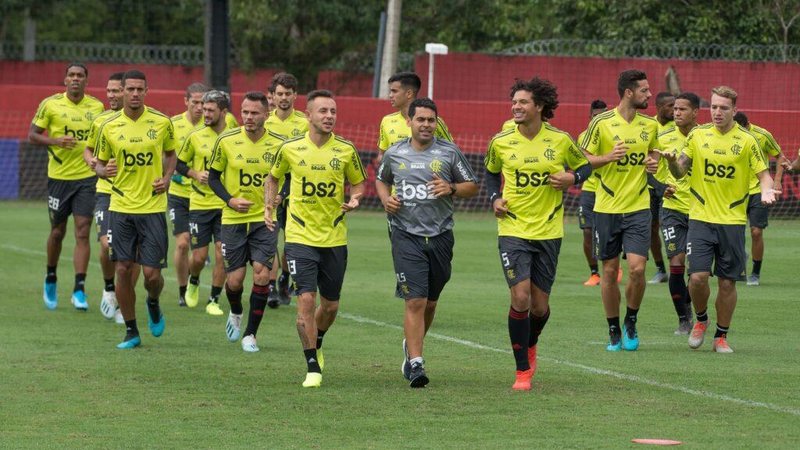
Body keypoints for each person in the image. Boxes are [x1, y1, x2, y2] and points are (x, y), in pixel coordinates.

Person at [485, 78, 591, 391]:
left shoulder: (559, 140)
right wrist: (495, 198)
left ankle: (530, 345)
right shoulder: (501, 141)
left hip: (548, 230)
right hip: (513, 228)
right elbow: (491, 173)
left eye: (523, 102)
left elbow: (585, 166)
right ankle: (521, 371)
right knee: (520, 296)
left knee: (540, 307)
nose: (516, 107)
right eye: (514, 102)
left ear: (539, 107)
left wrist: (571, 177)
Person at [662, 86, 777, 353]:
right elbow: (680, 172)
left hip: (733, 221)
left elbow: (763, 174)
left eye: (723, 108)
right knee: (698, 277)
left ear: (734, 111)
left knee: (727, 282)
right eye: (713, 107)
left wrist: (767, 189)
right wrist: (670, 163)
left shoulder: (747, 141)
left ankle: (721, 337)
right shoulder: (697, 136)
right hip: (700, 218)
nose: (717, 112)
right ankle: (701, 320)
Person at [265, 90, 366, 388]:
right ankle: (312, 365)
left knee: (330, 306)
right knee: (306, 300)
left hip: (334, 237)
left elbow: (359, 184)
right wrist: (268, 206)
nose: (329, 116)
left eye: (333, 111)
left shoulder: (346, 150)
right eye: (323, 111)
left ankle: (317, 339)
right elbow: (272, 178)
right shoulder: (290, 149)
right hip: (299, 236)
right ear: (308, 115)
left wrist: (357, 199)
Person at [376, 98, 478, 388]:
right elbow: (382, 180)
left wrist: (452, 187)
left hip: (441, 235)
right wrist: (386, 199)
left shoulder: (449, 152)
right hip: (405, 234)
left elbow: (472, 186)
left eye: (431, 120)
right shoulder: (395, 153)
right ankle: (417, 363)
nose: (426, 125)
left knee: (431, 301)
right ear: (409, 121)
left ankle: (411, 345)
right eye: (420, 119)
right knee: (416, 299)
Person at [94, 69, 177, 349]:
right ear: (123, 90)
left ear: (146, 91)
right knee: (123, 269)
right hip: (120, 207)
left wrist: (166, 179)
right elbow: (99, 163)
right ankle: (131, 331)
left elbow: (170, 153)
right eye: (129, 89)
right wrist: (103, 170)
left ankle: (152, 302)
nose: (134, 94)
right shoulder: (109, 126)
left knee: (152, 276)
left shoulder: (162, 122)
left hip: (152, 209)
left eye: (139, 89)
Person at [579, 69, 660, 352]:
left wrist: (653, 163)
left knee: (637, 269)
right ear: (628, 92)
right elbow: (583, 160)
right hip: (607, 208)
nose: (649, 94)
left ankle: (631, 321)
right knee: (610, 270)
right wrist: (607, 157)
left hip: (638, 206)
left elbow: (655, 153)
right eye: (644, 90)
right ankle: (613, 327)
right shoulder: (601, 123)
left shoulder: (650, 125)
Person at [207, 91, 286, 352]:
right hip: (233, 220)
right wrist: (230, 200)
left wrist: (279, 198)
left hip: (265, 220)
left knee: (262, 276)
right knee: (235, 281)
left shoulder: (280, 144)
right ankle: (236, 311)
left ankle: (251, 334)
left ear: (266, 114)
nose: (249, 117)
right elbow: (213, 178)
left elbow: (292, 177)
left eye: (254, 113)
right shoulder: (226, 140)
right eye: (245, 112)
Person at [30, 62, 104, 311]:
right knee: (57, 232)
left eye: (80, 75)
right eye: (71, 75)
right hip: (59, 178)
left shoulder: (97, 107)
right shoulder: (50, 104)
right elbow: (32, 135)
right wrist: (55, 140)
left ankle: (79, 289)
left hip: (87, 178)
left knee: (82, 231)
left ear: (86, 80)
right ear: (65, 80)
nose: (75, 79)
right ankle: (51, 276)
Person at [82, 71, 132, 323]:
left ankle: (126, 303)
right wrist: (93, 162)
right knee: (107, 244)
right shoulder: (100, 121)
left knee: (131, 254)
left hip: (135, 196)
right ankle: (109, 286)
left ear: (128, 91)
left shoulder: (144, 121)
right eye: (109, 91)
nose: (111, 95)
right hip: (106, 192)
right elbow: (88, 148)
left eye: (116, 91)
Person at [175, 90, 231, 315]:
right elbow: (179, 164)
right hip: (199, 203)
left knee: (221, 252)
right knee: (198, 257)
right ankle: (194, 279)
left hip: (225, 205)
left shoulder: (234, 136)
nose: (204, 113)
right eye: (203, 109)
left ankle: (214, 300)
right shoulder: (195, 137)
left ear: (223, 112)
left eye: (210, 110)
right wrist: (194, 174)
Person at [656, 92, 700, 335]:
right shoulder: (662, 136)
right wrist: (662, 187)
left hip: (700, 210)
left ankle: (693, 307)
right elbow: (648, 169)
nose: (677, 113)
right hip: (672, 209)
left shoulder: (705, 136)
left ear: (695, 112)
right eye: (675, 109)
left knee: (697, 271)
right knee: (676, 262)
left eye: (682, 109)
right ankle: (683, 319)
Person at [265, 72, 309, 306]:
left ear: (295, 96)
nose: (283, 98)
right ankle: (271, 287)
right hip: (269, 188)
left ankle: (284, 276)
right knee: (270, 239)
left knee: (290, 241)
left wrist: (286, 192)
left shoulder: (303, 123)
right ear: (273, 96)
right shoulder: (264, 120)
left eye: (287, 94)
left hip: (295, 190)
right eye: (279, 94)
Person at [732, 112, 790, 286]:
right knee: (733, 232)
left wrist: (777, 181)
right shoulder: (729, 135)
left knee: (756, 232)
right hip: (736, 190)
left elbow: (780, 156)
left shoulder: (763, 135)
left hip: (759, 189)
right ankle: (739, 263)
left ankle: (755, 273)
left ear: (748, 124)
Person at [169, 83, 209, 306]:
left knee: (199, 253)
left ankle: (194, 280)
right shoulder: (173, 124)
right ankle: (183, 290)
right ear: (186, 101)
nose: (200, 107)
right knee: (183, 244)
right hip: (179, 193)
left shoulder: (213, 125)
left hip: (203, 197)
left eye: (203, 103)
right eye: (195, 102)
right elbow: (164, 154)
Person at [377, 72, 453, 163]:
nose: (390, 95)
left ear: (409, 94)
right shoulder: (386, 121)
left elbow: (452, 153)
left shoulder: (433, 122)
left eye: (394, 91)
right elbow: (382, 154)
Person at [576, 99, 612, 286]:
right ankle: (594, 273)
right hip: (589, 190)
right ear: (590, 117)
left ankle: (614, 267)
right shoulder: (582, 138)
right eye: (595, 116)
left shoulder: (615, 135)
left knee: (608, 232)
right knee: (587, 232)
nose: (598, 120)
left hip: (608, 191)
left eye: (602, 116)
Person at [647, 92, 676, 284]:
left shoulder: (680, 126)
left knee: (672, 228)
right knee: (651, 229)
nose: (675, 110)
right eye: (670, 106)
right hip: (650, 186)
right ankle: (660, 270)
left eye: (677, 106)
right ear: (658, 107)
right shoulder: (648, 125)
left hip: (672, 188)